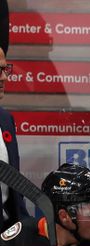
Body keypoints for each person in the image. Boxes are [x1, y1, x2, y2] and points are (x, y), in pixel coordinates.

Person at [0, 48, 27, 229]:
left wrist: (26, 229)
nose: (4, 77)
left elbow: (14, 192)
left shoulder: (6, 120)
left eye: (4, 69)